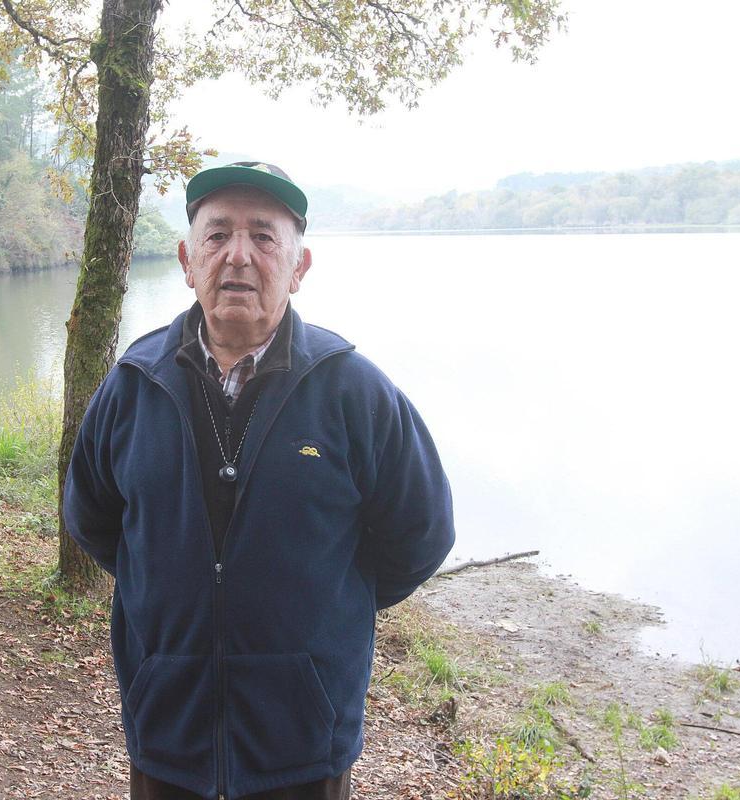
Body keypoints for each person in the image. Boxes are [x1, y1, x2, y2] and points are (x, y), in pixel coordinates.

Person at [64, 162, 456, 800]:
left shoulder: (353, 391)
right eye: (217, 235)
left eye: (264, 237)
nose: (238, 256)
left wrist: (327, 615)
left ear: (300, 266)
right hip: (169, 729)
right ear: (188, 260)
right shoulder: (134, 385)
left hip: (303, 741)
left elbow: (422, 533)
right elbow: (93, 518)